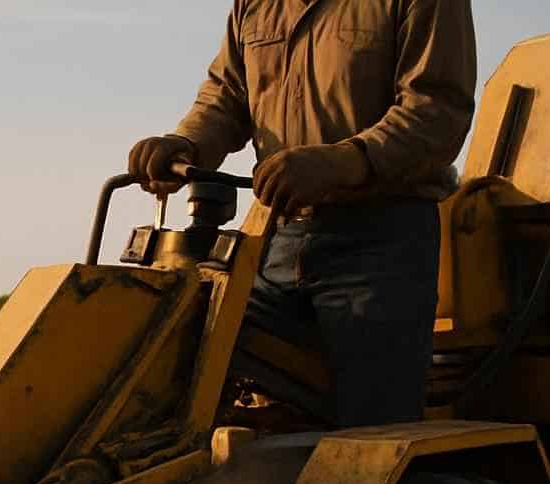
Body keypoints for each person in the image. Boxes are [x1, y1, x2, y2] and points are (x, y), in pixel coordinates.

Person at [129, 0, 478, 428]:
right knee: (186, 364)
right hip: (276, 240)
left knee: (372, 433)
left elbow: (437, 112)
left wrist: (343, 162)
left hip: (380, 244)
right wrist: (185, 143)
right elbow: (227, 96)